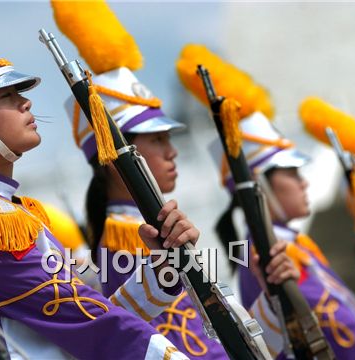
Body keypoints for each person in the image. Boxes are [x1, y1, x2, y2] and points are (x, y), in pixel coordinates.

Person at [0, 1, 195, 359]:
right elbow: (91, 323)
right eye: (8, 96)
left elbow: (86, 316)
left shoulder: (6, 212)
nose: (26, 103)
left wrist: (162, 270)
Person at [177, 45, 355, 358]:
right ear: (259, 185)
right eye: (291, 172)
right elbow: (343, 337)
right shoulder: (265, 251)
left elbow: (350, 326)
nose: (303, 181)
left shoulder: (295, 245)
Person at [54, 3, 230, 358]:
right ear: (116, 156)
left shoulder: (138, 227)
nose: (172, 152)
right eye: (157, 140)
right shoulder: (122, 238)